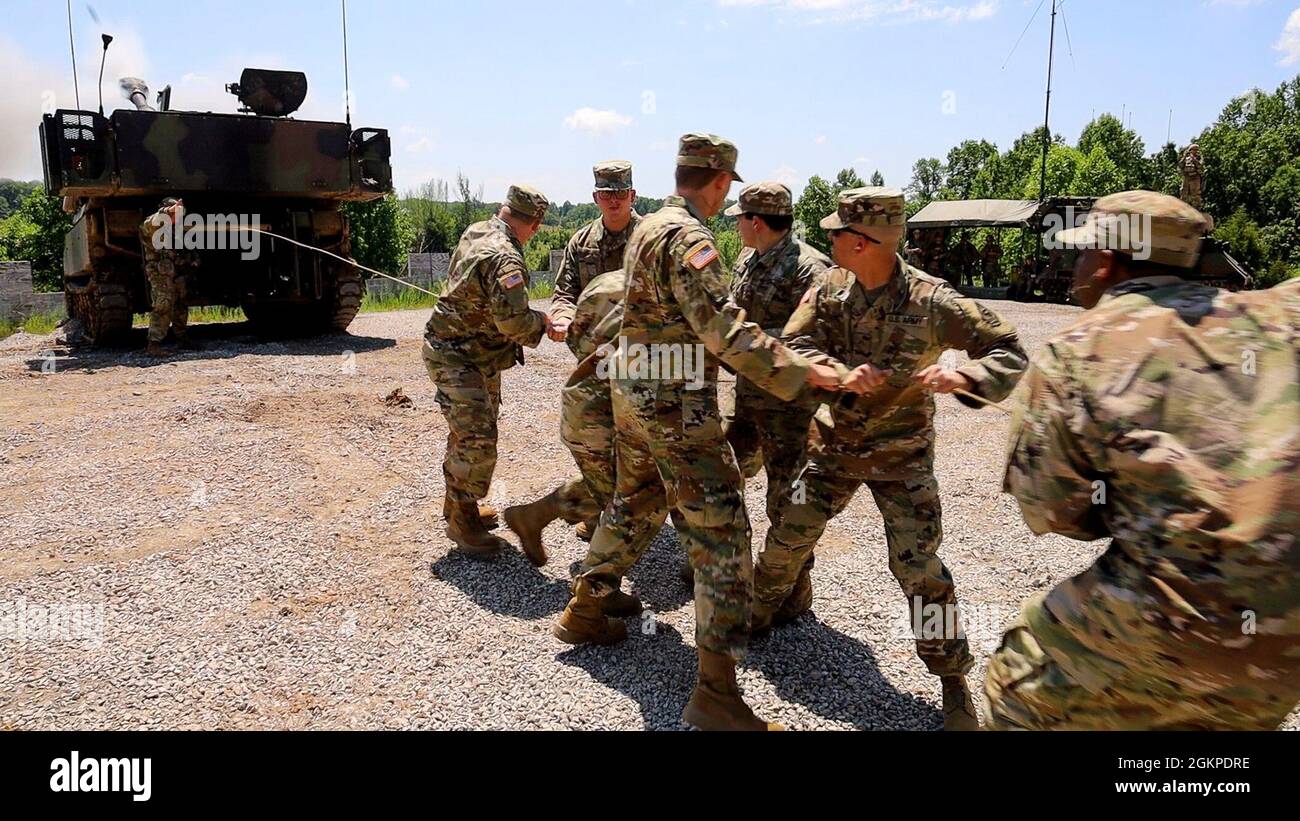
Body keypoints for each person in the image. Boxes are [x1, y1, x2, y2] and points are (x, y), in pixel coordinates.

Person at [552, 133, 846, 731]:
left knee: (636, 500)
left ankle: (586, 608)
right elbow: (727, 331)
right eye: (725, 189)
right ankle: (716, 696)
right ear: (718, 182)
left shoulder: (647, 226)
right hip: (675, 409)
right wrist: (805, 376)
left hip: (632, 397)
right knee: (724, 538)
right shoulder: (690, 237)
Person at [985, 191, 1300, 730]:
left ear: (1108, 263)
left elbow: (1056, 512)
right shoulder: (1279, 317)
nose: (1074, 268)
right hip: (1286, 646)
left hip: (1178, 624)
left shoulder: (1078, 348)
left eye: (1081, 255)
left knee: (1016, 680)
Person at [753, 187, 1028, 730]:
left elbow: (1009, 351)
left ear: (863, 241)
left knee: (919, 568)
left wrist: (967, 376)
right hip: (833, 448)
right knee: (788, 532)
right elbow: (792, 346)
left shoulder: (932, 300)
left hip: (902, 459)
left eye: (837, 232)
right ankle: (757, 615)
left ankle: (953, 682)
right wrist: (835, 373)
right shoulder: (829, 287)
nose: (827, 238)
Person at [677, 181, 830, 595]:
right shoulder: (748, 258)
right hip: (747, 402)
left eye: (740, 218)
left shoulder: (811, 269)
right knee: (720, 482)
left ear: (756, 222)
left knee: (788, 501)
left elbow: (817, 337)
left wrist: (747, 339)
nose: (737, 226)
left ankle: (792, 589)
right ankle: (717, 564)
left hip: (789, 409)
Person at [503, 270, 645, 617]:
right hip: (604, 417)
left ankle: (533, 516)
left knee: (612, 490)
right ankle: (593, 600)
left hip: (589, 411)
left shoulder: (609, 285)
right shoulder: (651, 298)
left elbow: (579, 341)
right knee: (629, 500)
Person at [422, 185, 554, 557]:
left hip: (473, 354)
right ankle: (463, 524)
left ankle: (458, 505)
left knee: (467, 430)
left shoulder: (478, 229)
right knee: (477, 437)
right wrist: (545, 324)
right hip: (457, 355)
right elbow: (513, 322)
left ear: (504, 209)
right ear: (536, 223)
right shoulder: (506, 257)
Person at [543, 161, 642, 540]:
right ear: (595, 198)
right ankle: (604, 508)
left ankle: (626, 516)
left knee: (636, 439)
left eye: (621, 193)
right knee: (593, 435)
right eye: (606, 194)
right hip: (594, 358)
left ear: (632, 195)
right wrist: (564, 318)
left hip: (641, 360)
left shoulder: (649, 238)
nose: (614, 201)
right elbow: (564, 292)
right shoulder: (581, 242)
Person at [140, 197, 195, 357]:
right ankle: (154, 344)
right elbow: (153, 221)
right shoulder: (151, 225)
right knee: (163, 304)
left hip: (176, 272)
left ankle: (182, 337)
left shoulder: (177, 229)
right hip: (160, 273)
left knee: (180, 304)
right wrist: (167, 212)